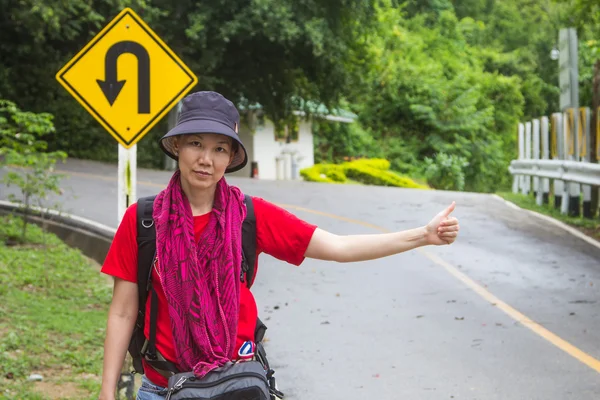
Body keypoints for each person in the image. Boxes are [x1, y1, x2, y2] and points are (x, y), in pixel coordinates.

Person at [98, 91, 460, 400]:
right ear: (177, 146)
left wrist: (422, 235)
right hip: (163, 388)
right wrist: (106, 392)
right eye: (196, 143)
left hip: (233, 386)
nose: (206, 159)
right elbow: (122, 313)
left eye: (219, 148)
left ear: (231, 156)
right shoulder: (144, 220)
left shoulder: (249, 216)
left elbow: (338, 247)